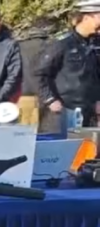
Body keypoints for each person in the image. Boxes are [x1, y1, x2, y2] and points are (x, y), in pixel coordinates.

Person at [38, 2, 100, 132]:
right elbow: (40, 74)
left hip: (90, 112)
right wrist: (50, 99)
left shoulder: (96, 43)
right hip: (64, 111)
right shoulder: (61, 43)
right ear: (86, 18)